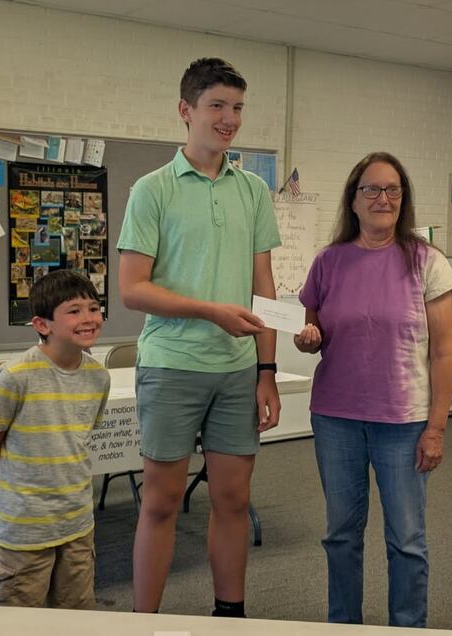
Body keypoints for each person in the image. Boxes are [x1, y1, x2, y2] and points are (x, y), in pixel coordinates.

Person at [117, 57, 282, 617]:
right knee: (161, 503)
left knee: (233, 500)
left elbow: (264, 284)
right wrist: (210, 311)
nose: (229, 118)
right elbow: (132, 290)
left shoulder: (254, 190)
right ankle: (145, 622)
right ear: (186, 111)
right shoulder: (151, 190)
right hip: (171, 366)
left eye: (237, 107)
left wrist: (267, 371)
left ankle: (229, 615)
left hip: (238, 372)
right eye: (217, 106)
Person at [294, 152, 452, 627]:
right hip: (335, 417)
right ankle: (344, 623)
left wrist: (437, 428)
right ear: (353, 199)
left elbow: (445, 353)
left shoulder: (427, 261)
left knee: (406, 539)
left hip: (404, 422)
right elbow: (312, 334)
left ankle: (407, 627)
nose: (382, 198)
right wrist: (308, 340)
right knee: (341, 535)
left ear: (402, 199)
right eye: (371, 189)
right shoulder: (328, 261)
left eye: (392, 190)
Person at [0, 270, 111, 608]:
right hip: (23, 531)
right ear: (42, 324)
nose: (89, 318)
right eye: (74, 311)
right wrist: (2, 496)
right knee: (19, 620)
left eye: (94, 308)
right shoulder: (15, 376)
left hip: (77, 524)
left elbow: (79, 439)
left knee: (77, 614)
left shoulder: (98, 377)